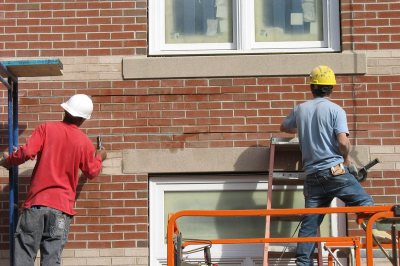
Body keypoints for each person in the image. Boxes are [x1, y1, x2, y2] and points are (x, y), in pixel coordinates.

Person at [280, 65, 391, 265]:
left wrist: (305, 126)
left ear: (312, 87)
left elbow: (285, 127)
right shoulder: (336, 110)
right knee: (365, 202)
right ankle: (373, 229)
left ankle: (302, 262)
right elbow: (342, 142)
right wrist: (347, 159)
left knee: (310, 223)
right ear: (331, 87)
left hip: (312, 176)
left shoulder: (301, 109)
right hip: (334, 171)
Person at [0, 94, 107, 266]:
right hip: (61, 211)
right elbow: (92, 172)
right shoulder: (85, 143)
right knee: (51, 260)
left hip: (36, 205)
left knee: (23, 258)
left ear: (65, 110)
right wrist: (100, 156)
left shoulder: (46, 129)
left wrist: (9, 160)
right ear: (83, 119)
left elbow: (26, 153)